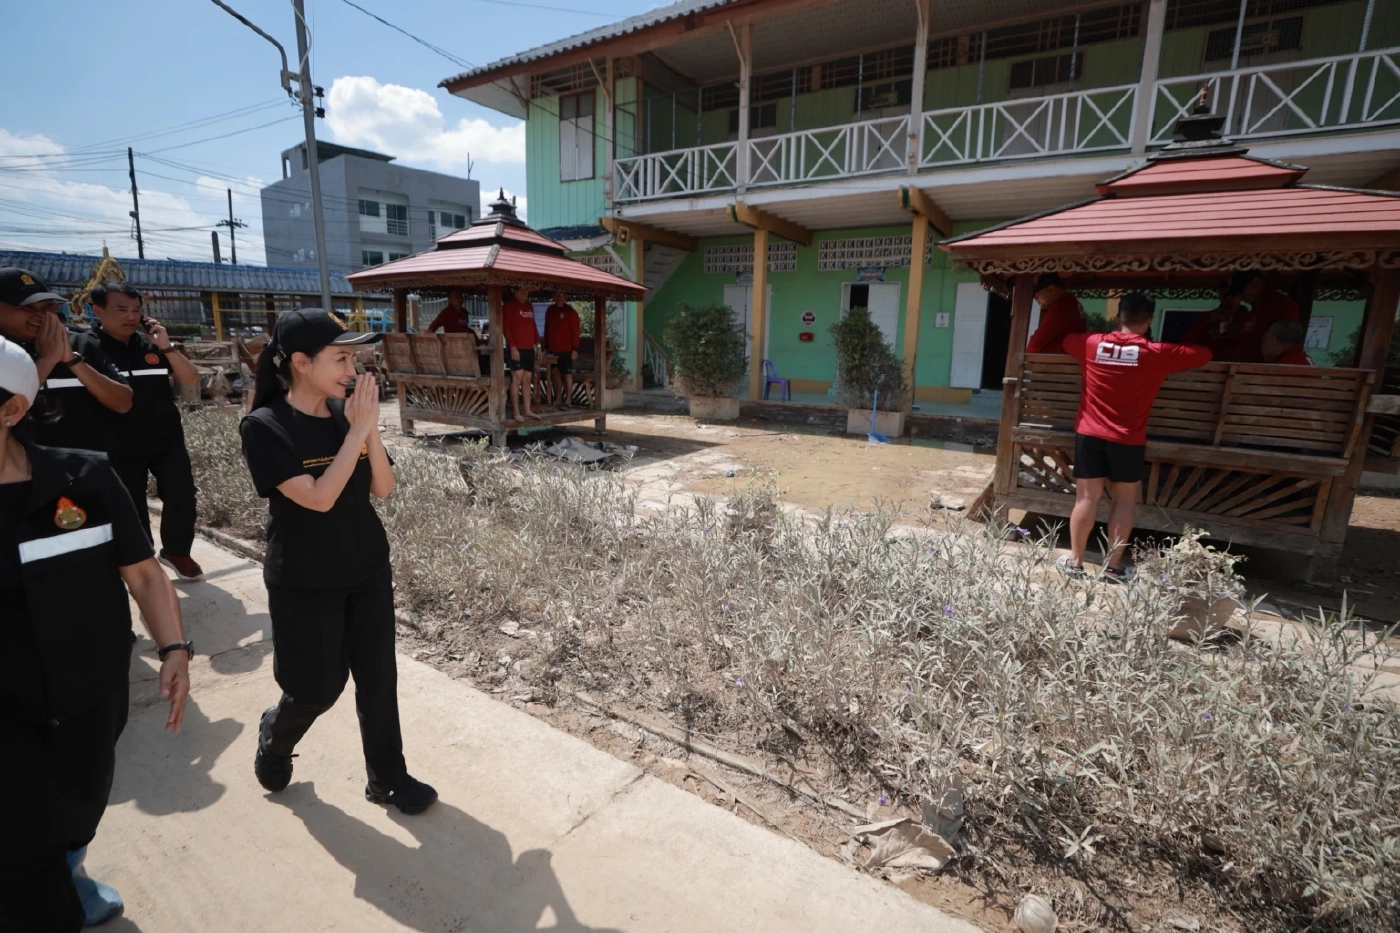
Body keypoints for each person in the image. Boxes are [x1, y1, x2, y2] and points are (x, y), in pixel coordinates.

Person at [0, 336, 191, 931]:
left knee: (83, 799)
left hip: (90, 691)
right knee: (24, 841)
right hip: (6, 701)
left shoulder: (83, 479)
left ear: (10, 410)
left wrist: (174, 647)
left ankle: (70, 867)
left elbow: (141, 572)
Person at [240, 309, 436, 815]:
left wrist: (365, 430)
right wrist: (356, 433)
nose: (354, 368)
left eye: (355, 356)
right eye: (342, 357)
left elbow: (384, 489)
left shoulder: (344, 416)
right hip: (305, 581)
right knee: (315, 690)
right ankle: (275, 736)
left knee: (378, 680)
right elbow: (319, 498)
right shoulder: (264, 427)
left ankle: (387, 780)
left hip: (366, 567)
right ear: (301, 363)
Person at [1059, 293, 1213, 583]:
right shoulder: (1157, 353)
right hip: (1127, 439)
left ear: (1118, 317)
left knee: (1086, 497)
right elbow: (1204, 354)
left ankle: (1076, 562)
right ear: (1150, 320)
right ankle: (1113, 568)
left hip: (1089, 433)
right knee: (1125, 501)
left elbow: (1067, 339)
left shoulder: (1091, 344)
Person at [89, 282, 206, 581]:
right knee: (131, 505)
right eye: (122, 310)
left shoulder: (151, 346)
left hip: (166, 440)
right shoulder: (88, 347)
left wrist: (165, 346)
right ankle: (143, 557)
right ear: (97, 310)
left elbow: (191, 379)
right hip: (118, 443)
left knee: (182, 495)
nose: (130, 317)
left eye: (136, 310)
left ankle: (177, 551)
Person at [0, 268, 132, 460]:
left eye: (47, 307)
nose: (41, 316)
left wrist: (73, 361)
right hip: (25, 475)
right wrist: (47, 360)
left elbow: (123, 403)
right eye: (27, 308)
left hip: (90, 470)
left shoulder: (82, 344)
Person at [1230, 271, 1300, 363]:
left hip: (1264, 370)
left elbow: (1285, 342)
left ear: (1256, 282)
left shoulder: (1281, 304)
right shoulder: (1254, 308)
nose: (1240, 296)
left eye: (1240, 290)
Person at [1181, 278, 1246, 361]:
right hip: (1208, 368)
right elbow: (1186, 344)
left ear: (1242, 294)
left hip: (1239, 368)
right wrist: (1208, 322)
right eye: (1224, 288)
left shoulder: (1248, 318)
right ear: (1219, 292)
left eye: (1234, 291)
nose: (1229, 295)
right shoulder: (1205, 317)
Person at [502, 286, 540, 421]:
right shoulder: (509, 306)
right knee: (516, 378)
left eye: (526, 290)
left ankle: (527, 410)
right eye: (522, 290)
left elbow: (533, 326)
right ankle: (516, 411)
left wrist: (538, 345)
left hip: (529, 349)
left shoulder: (529, 306)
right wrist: (512, 347)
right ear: (515, 291)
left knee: (527, 379)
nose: (525, 292)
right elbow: (505, 328)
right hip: (516, 349)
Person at [1026, 272, 1087, 355]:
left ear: (1051, 290)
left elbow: (1033, 346)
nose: (1036, 300)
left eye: (1037, 295)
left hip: (1058, 364)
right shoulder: (1072, 303)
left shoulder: (1061, 307)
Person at [542, 291, 581, 410]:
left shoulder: (571, 313)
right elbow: (546, 328)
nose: (558, 297)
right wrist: (546, 346)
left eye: (560, 295)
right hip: (553, 349)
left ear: (566, 297)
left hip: (567, 349)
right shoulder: (550, 310)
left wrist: (575, 349)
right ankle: (558, 398)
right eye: (556, 295)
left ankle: (568, 400)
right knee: (555, 374)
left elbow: (575, 332)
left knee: (567, 374)